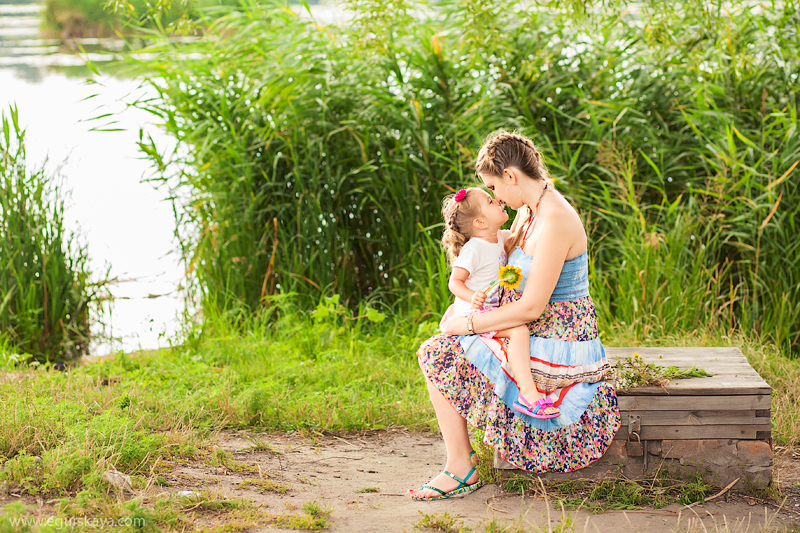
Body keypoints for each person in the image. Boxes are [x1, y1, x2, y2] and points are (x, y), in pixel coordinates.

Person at [409, 130, 620, 502]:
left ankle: (461, 467)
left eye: (493, 187)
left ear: (510, 175)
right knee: (439, 346)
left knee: (439, 350)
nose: (496, 197)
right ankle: (461, 462)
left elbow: (532, 307)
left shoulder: (556, 218)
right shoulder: (529, 209)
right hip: (531, 324)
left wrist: (468, 324)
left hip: (560, 335)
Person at [438, 187, 560, 420]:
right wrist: (471, 295)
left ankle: (528, 391)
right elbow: (455, 282)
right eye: (490, 201)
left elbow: (516, 232)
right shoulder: (474, 248)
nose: (497, 201)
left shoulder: (499, 238)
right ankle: (528, 394)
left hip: (489, 311)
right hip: (474, 313)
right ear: (480, 223)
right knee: (519, 331)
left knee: (518, 330)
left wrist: (526, 205)